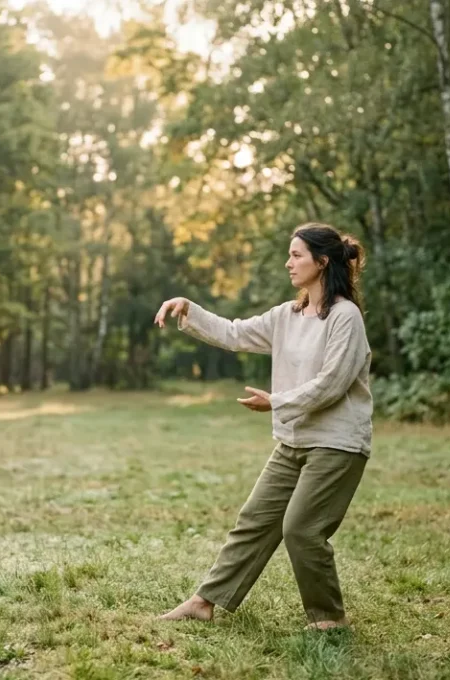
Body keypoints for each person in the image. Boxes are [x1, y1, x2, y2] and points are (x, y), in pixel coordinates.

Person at [153, 222, 374, 632]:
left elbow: (332, 383)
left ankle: (329, 618)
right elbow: (235, 333)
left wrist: (277, 401)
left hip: (337, 443)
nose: (288, 262)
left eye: (296, 255)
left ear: (322, 262)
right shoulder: (288, 315)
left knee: (302, 529)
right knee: (254, 519)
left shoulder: (346, 318)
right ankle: (206, 601)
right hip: (294, 440)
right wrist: (190, 308)